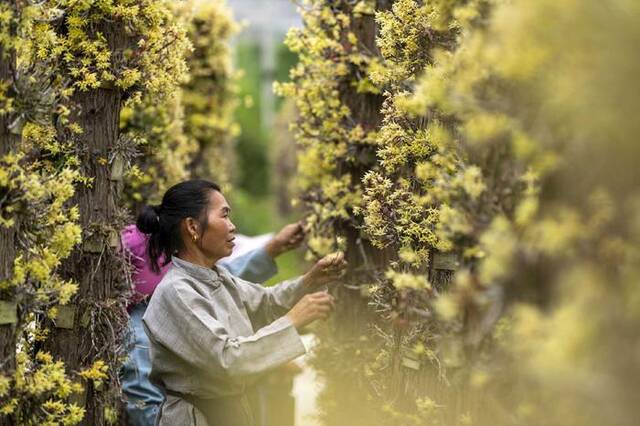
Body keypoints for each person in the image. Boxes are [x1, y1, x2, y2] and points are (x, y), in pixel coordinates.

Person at [139, 179, 345, 426]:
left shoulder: (217, 276)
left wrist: (309, 281)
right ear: (193, 227)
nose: (232, 226)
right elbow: (227, 358)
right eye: (224, 216)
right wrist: (293, 321)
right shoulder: (178, 292)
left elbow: (265, 303)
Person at [121, 216, 306, 425]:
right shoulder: (141, 332)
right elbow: (145, 405)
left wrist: (273, 249)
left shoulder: (185, 290)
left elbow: (227, 279)